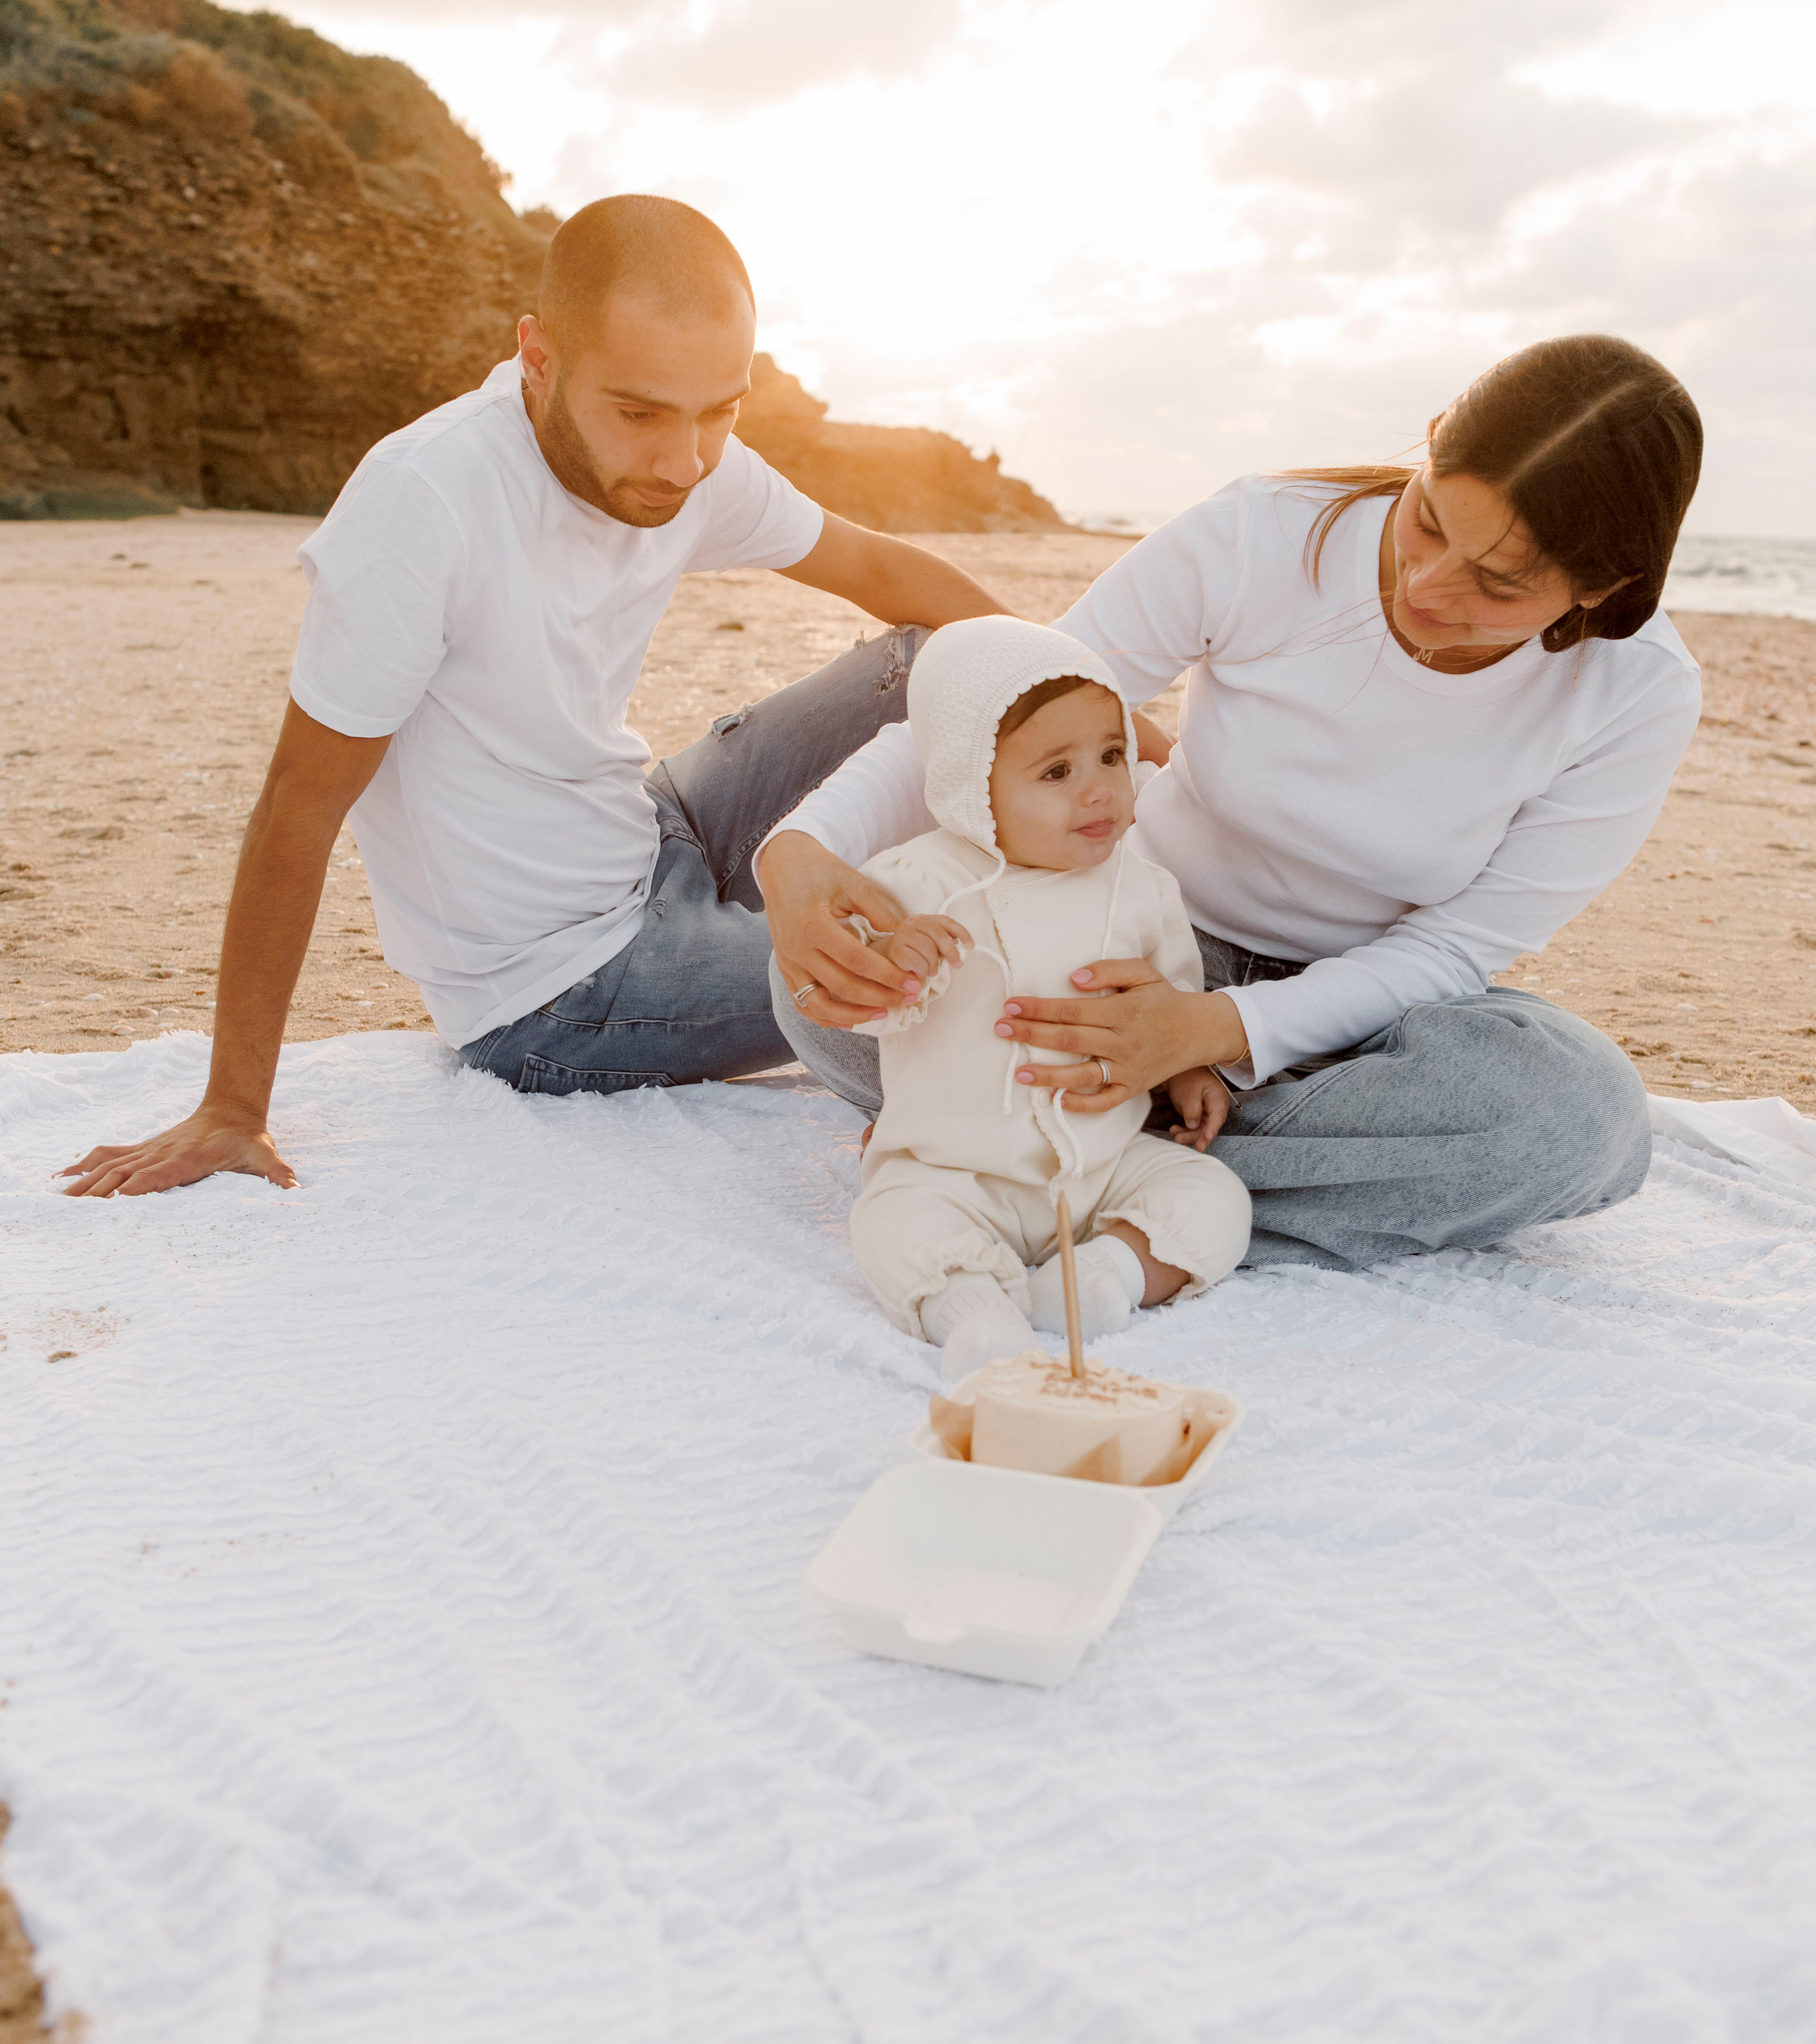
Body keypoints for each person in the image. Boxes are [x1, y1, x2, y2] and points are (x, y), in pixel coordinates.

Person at [62, 195, 1007, 1198]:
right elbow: (298, 808)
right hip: (556, 994)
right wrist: (231, 1111)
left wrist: (1098, 702)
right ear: (538, 357)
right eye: (639, 414)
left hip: (653, 831)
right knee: (952, 975)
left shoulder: (689, 461)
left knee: (947, 662)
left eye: (719, 413)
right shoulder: (426, 501)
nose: (683, 462)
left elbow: (881, 567)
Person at [761, 335, 1705, 1271]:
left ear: (1603, 587)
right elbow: (1003, 713)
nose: (1426, 584)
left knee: (1581, 1126)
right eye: (1427, 521)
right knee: (823, 1000)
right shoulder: (1263, 532)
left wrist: (1210, 1036)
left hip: (1356, 1022)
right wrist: (802, 849)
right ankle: (1159, 1173)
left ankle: (1041, 1155)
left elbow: (1454, 951)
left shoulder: (1637, 691)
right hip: (1121, 944)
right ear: (1430, 442)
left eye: (1496, 583)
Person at [839, 616, 1251, 1374]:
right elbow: (864, 1011)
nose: (1100, 789)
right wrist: (894, 964)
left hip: (1103, 1165)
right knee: (892, 1220)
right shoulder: (918, 882)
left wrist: (1187, 1070)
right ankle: (970, 1311)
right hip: (953, 1169)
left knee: (1215, 1197)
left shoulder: (1142, 887)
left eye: (1112, 755)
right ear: (970, 789)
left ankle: (1106, 1277)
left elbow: (1171, 1006)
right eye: (1056, 773)